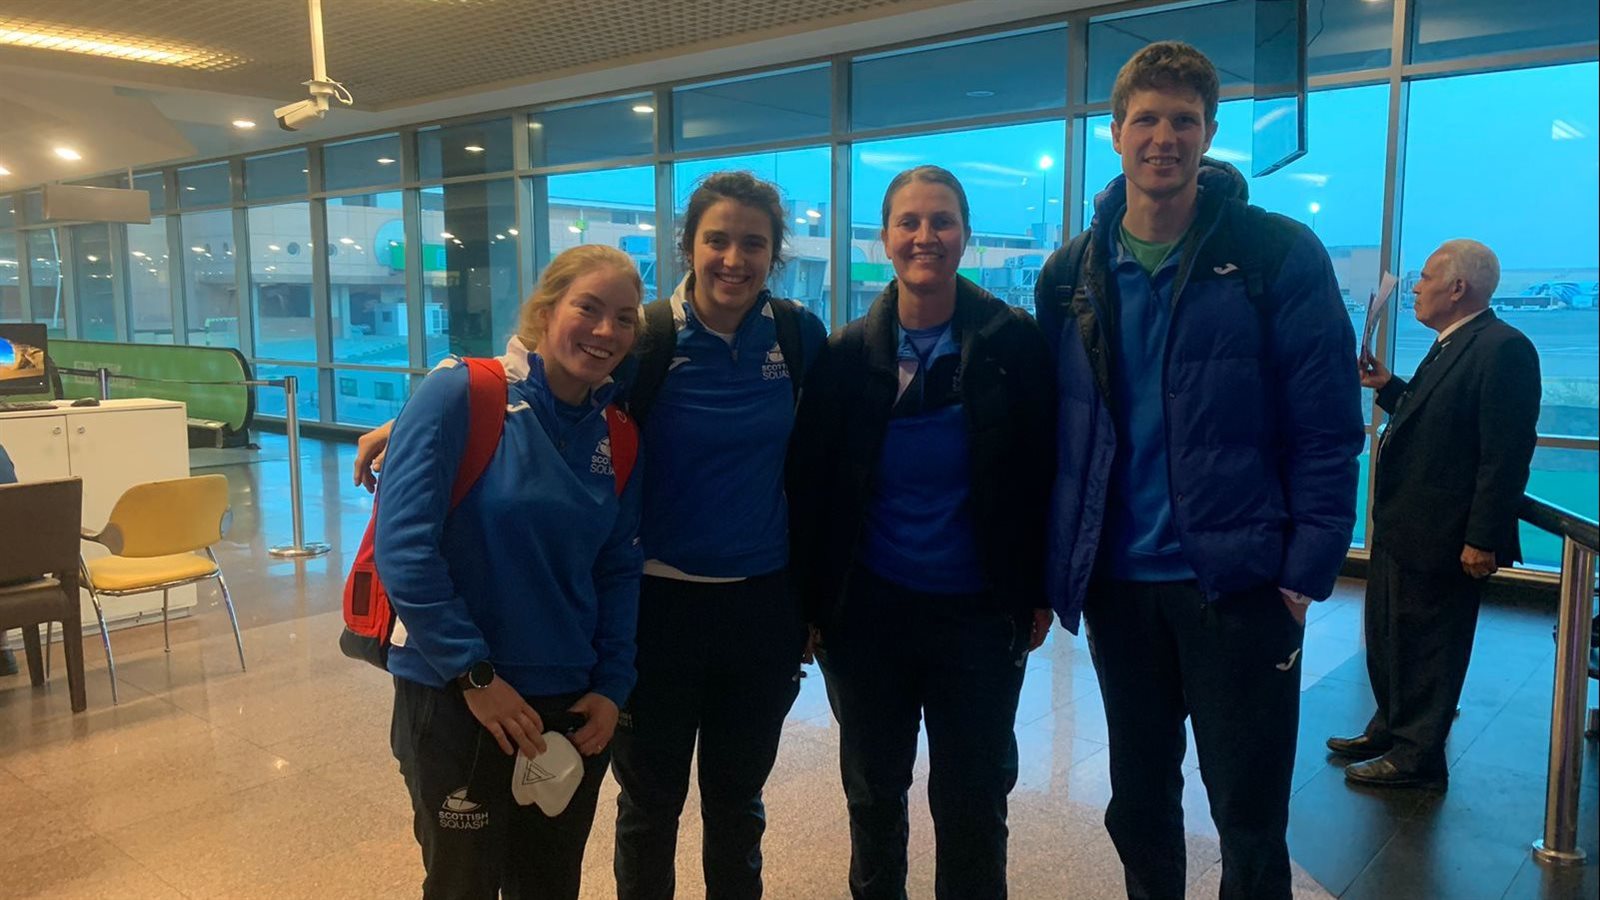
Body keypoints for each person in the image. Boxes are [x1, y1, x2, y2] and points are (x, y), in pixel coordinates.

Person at [356, 171, 827, 899]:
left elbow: (833, 449)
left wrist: (815, 604)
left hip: (758, 604)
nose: (734, 258)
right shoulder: (650, 339)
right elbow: (553, 372)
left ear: (775, 254)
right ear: (689, 247)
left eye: (753, 243)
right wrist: (413, 420)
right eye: (717, 239)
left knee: (738, 804)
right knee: (649, 805)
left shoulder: (797, 336)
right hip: (661, 604)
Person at [1034, 42, 1363, 900]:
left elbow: (1328, 427)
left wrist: (1303, 574)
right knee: (1140, 804)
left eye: (1184, 120)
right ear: (1115, 133)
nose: (1164, 138)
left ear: (1210, 132)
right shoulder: (1071, 273)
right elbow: (1058, 435)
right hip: (1120, 587)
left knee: (1248, 816)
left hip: (1240, 588)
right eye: (1145, 119)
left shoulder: (1274, 255)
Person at [789, 164, 1056, 900]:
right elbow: (813, 491)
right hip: (867, 616)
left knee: (974, 797)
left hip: (979, 615)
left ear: (965, 236)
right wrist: (810, 607)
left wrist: (1038, 590)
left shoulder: (1012, 345)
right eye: (908, 221)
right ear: (885, 238)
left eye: (942, 221)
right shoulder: (845, 357)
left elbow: (1043, 473)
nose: (925, 236)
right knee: (874, 794)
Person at [375, 244, 644, 899]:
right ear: (546, 310)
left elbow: (617, 569)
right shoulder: (461, 393)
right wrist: (474, 675)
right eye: (588, 308)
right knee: (462, 884)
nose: (605, 330)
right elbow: (404, 549)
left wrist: (612, 687)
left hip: (569, 704)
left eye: (624, 318)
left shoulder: (618, 434)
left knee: (549, 885)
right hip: (458, 698)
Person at [1329, 239, 1540, 788]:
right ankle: (1391, 727)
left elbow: (1504, 453)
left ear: (1457, 288)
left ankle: (1417, 755)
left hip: (1445, 535)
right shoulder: (1453, 344)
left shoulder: (1503, 349)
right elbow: (1439, 418)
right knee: (1391, 636)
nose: (1415, 289)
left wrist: (1482, 537)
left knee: (1429, 645)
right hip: (1406, 526)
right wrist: (1388, 388)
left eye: (1424, 278)